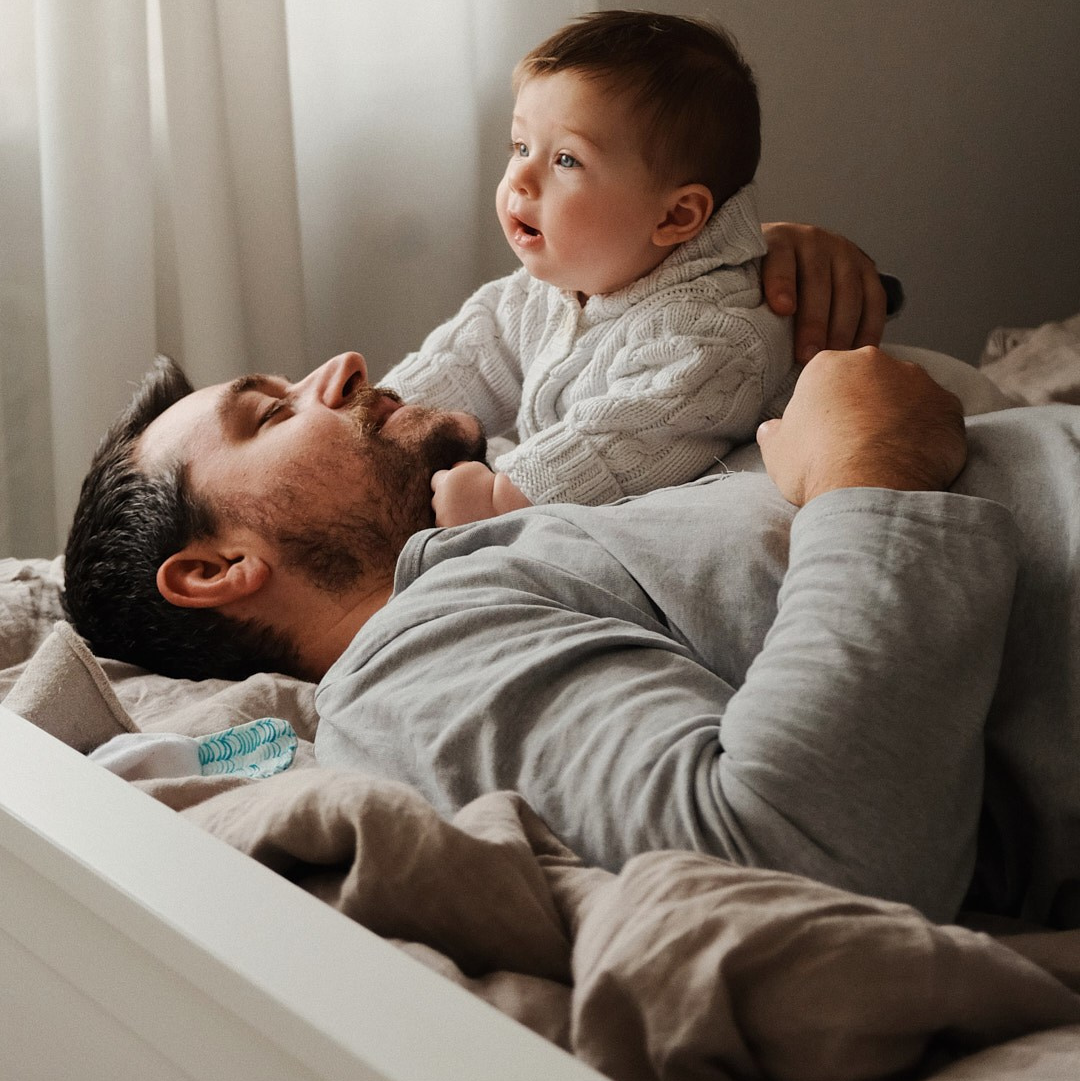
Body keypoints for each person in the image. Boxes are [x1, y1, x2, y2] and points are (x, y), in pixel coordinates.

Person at [63, 325, 1080, 928]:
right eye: (273, 414)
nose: (340, 366)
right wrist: (871, 468)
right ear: (214, 571)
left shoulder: (515, 531)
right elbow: (800, 859)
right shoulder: (412, 666)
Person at [381, 11, 891, 527]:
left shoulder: (710, 335)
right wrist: (381, 411)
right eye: (521, 146)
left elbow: (619, 440)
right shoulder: (547, 291)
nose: (520, 178)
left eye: (566, 160)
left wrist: (502, 498)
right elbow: (468, 359)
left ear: (675, 216)